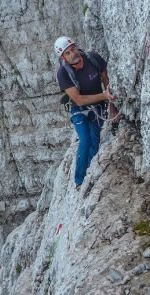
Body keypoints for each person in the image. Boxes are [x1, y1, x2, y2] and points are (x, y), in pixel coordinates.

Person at [54, 36, 116, 189]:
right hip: (79, 109)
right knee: (85, 140)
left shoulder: (92, 58)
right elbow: (78, 99)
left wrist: (111, 102)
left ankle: (90, 172)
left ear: (76, 46)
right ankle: (80, 180)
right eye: (67, 53)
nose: (72, 53)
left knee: (94, 140)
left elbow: (105, 77)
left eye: (73, 49)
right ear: (63, 57)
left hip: (99, 106)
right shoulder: (63, 73)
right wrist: (104, 96)